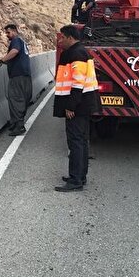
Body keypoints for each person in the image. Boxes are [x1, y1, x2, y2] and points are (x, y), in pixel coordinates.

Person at [53, 25, 100, 192]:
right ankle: (80, 175)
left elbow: (77, 82)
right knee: (82, 141)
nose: (60, 41)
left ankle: (75, 180)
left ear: (70, 37)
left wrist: (70, 106)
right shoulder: (78, 52)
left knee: (76, 142)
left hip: (78, 106)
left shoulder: (77, 53)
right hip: (83, 104)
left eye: (62, 37)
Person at [0, 24, 32, 136]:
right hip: (25, 76)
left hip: (17, 76)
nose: (7, 35)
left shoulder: (16, 41)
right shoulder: (22, 42)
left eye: (8, 32)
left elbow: (14, 52)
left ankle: (19, 126)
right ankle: (16, 123)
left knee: (15, 100)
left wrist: (2, 60)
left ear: (14, 31)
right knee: (21, 100)